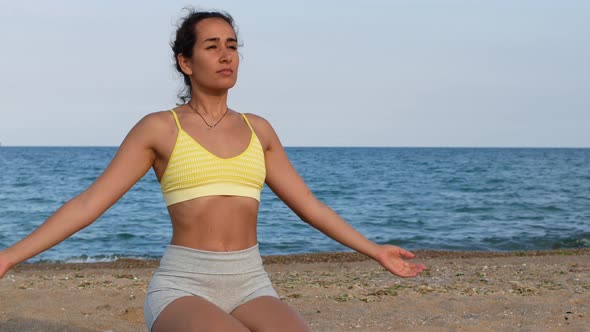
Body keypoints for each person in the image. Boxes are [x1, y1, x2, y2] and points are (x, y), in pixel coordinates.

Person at [0, 8, 426, 332]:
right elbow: (89, 203)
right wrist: (9, 257)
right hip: (183, 285)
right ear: (186, 63)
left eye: (233, 45)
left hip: (251, 282)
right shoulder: (159, 129)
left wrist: (375, 250)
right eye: (212, 46)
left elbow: (309, 206)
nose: (226, 56)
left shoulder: (259, 130)